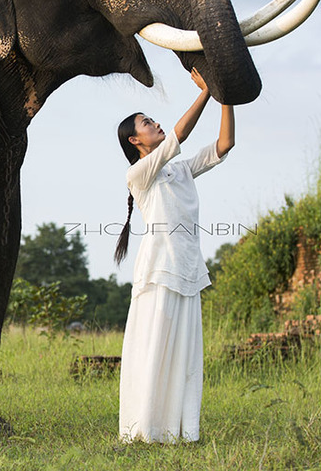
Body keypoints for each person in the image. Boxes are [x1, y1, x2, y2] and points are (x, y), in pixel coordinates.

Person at [115, 68, 234, 443]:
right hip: (159, 272)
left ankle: (177, 430)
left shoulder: (180, 170)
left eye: (152, 118)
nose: (155, 123)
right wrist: (206, 92)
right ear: (136, 140)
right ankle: (145, 429)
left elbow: (224, 144)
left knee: (184, 356)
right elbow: (180, 134)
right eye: (147, 122)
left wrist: (225, 95)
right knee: (154, 351)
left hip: (187, 271)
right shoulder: (138, 174)